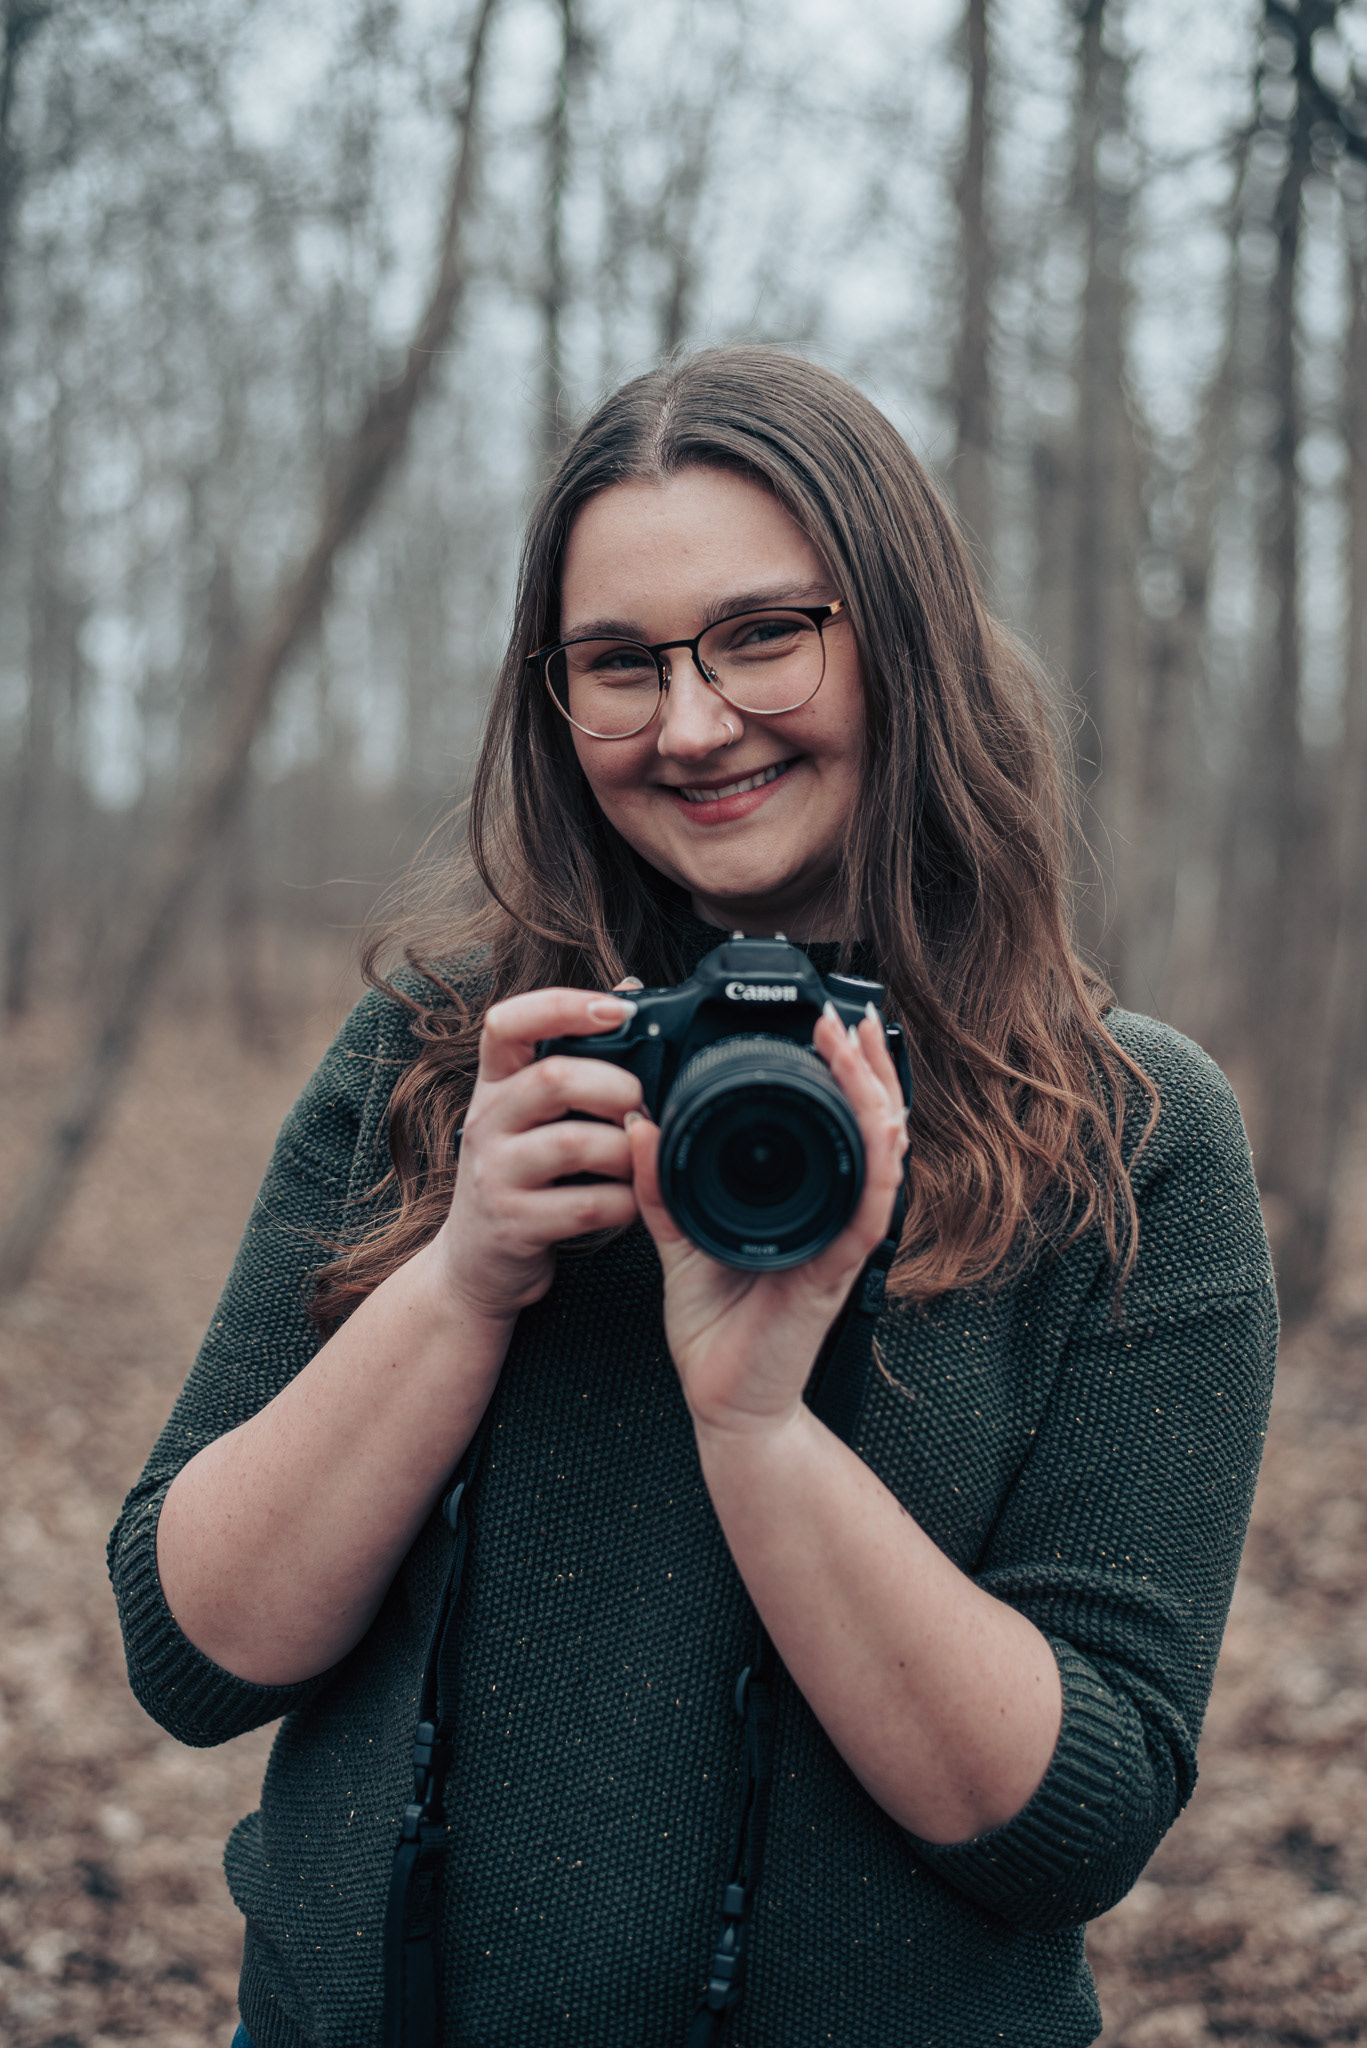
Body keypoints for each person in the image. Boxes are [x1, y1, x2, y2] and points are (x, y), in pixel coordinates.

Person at [109, 348, 1277, 2048]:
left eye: (761, 633)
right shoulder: (448, 1061)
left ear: (900, 634)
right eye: (618, 664)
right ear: (553, 697)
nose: (693, 722)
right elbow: (191, 1651)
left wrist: (760, 1429)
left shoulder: (1123, 1132)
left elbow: (1074, 1821)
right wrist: (464, 1278)